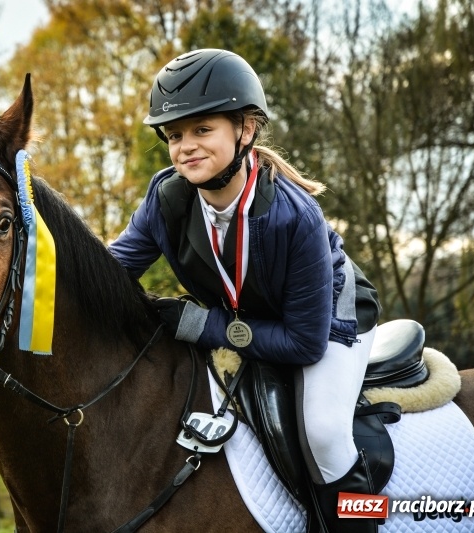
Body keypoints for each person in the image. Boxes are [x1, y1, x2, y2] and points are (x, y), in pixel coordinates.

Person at [109, 48, 382, 533]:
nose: (185, 147)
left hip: (330, 321)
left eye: (202, 130)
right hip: (255, 316)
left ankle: (361, 523)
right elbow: (109, 272)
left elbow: (303, 343)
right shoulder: (165, 197)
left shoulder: (295, 218)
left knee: (322, 430)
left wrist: (204, 325)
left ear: (246, 129)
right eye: (174, 135)